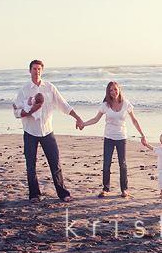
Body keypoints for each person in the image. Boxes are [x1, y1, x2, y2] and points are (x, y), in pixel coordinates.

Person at [13, 60, 84, 204]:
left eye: (39, 69)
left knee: (55, 163)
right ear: (30, 71)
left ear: (42, 71)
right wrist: (31, 110)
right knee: (31, 165)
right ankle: (34, 194)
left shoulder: (50, 87)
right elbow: (16, 112)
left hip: (47, 131)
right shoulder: (24, 90)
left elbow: (63, 105)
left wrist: (77, 118)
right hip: (30, 132)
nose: (36, 71)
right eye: (34, 69)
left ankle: (63, 193)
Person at [80, 81, 148, 198]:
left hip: (121, 137)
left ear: (119, 90)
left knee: (123, 164)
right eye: (111, 90)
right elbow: (95, 120)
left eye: (115, 89)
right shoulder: (105, 105)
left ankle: (124, 189)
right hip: (109, 138)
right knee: (106, 164)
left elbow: (134, 121)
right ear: (108, 92)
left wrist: (142, 135)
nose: (113, 92)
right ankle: (106, 188)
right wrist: (83, 124)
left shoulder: (126, 104)